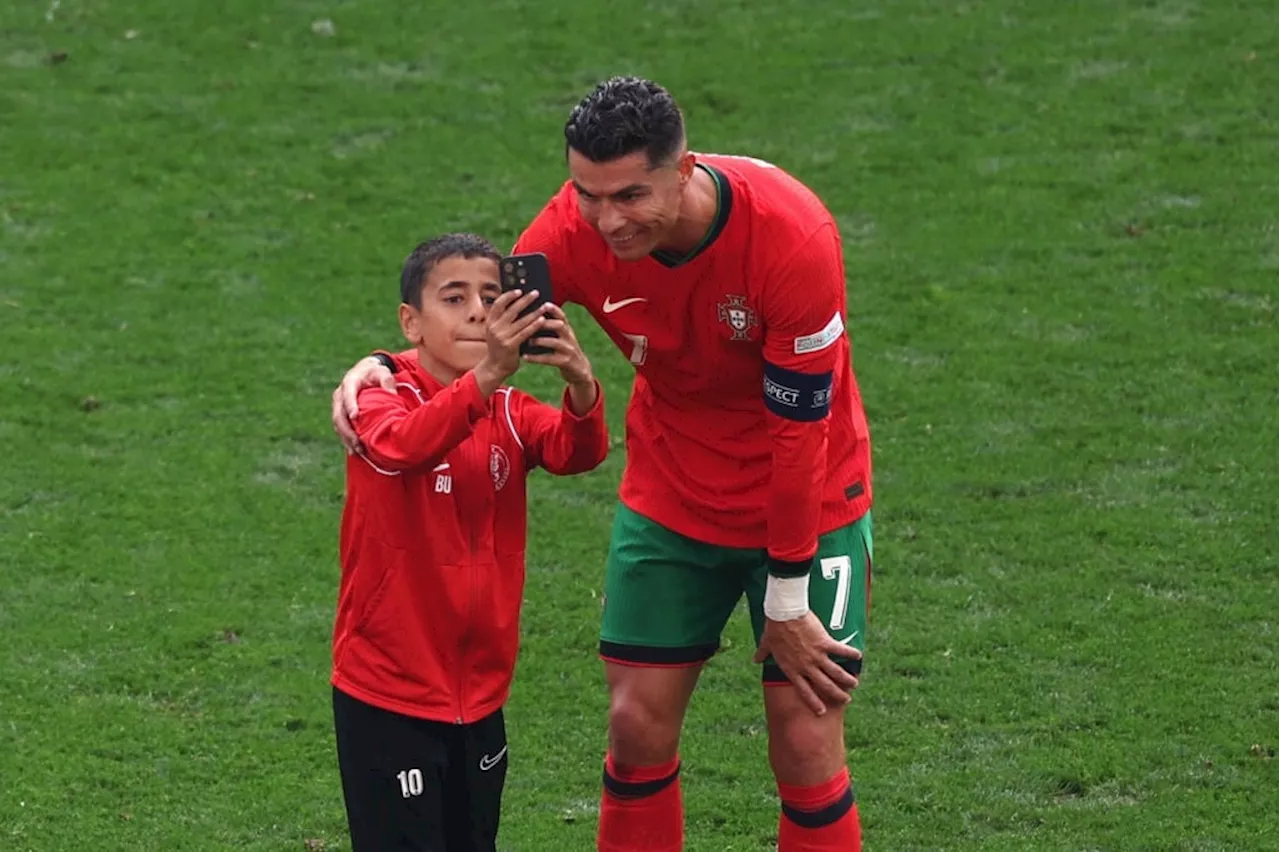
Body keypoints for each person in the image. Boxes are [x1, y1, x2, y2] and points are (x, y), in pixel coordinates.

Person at [333, 78, 875, 852]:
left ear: (684, 169)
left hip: (810, 504)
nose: (606, 221)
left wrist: (788, 597)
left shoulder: (791, 237)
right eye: (587, 194)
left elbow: (799, 435)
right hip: (672, 499)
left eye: (629, 196)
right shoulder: (569, 231)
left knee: (805, 740)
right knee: (634, 727)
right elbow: (477, 318)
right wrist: (381, 367)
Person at [331, 232, 609, 852]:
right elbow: (403, 444)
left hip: (479, 693)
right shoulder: (378, 395)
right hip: (389, 693)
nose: (479, 312)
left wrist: (580, 379)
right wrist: (485, 375)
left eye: (491, 295)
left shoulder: (509, 408)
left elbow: (578, 450)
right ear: (411, 322)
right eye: (454, 299)